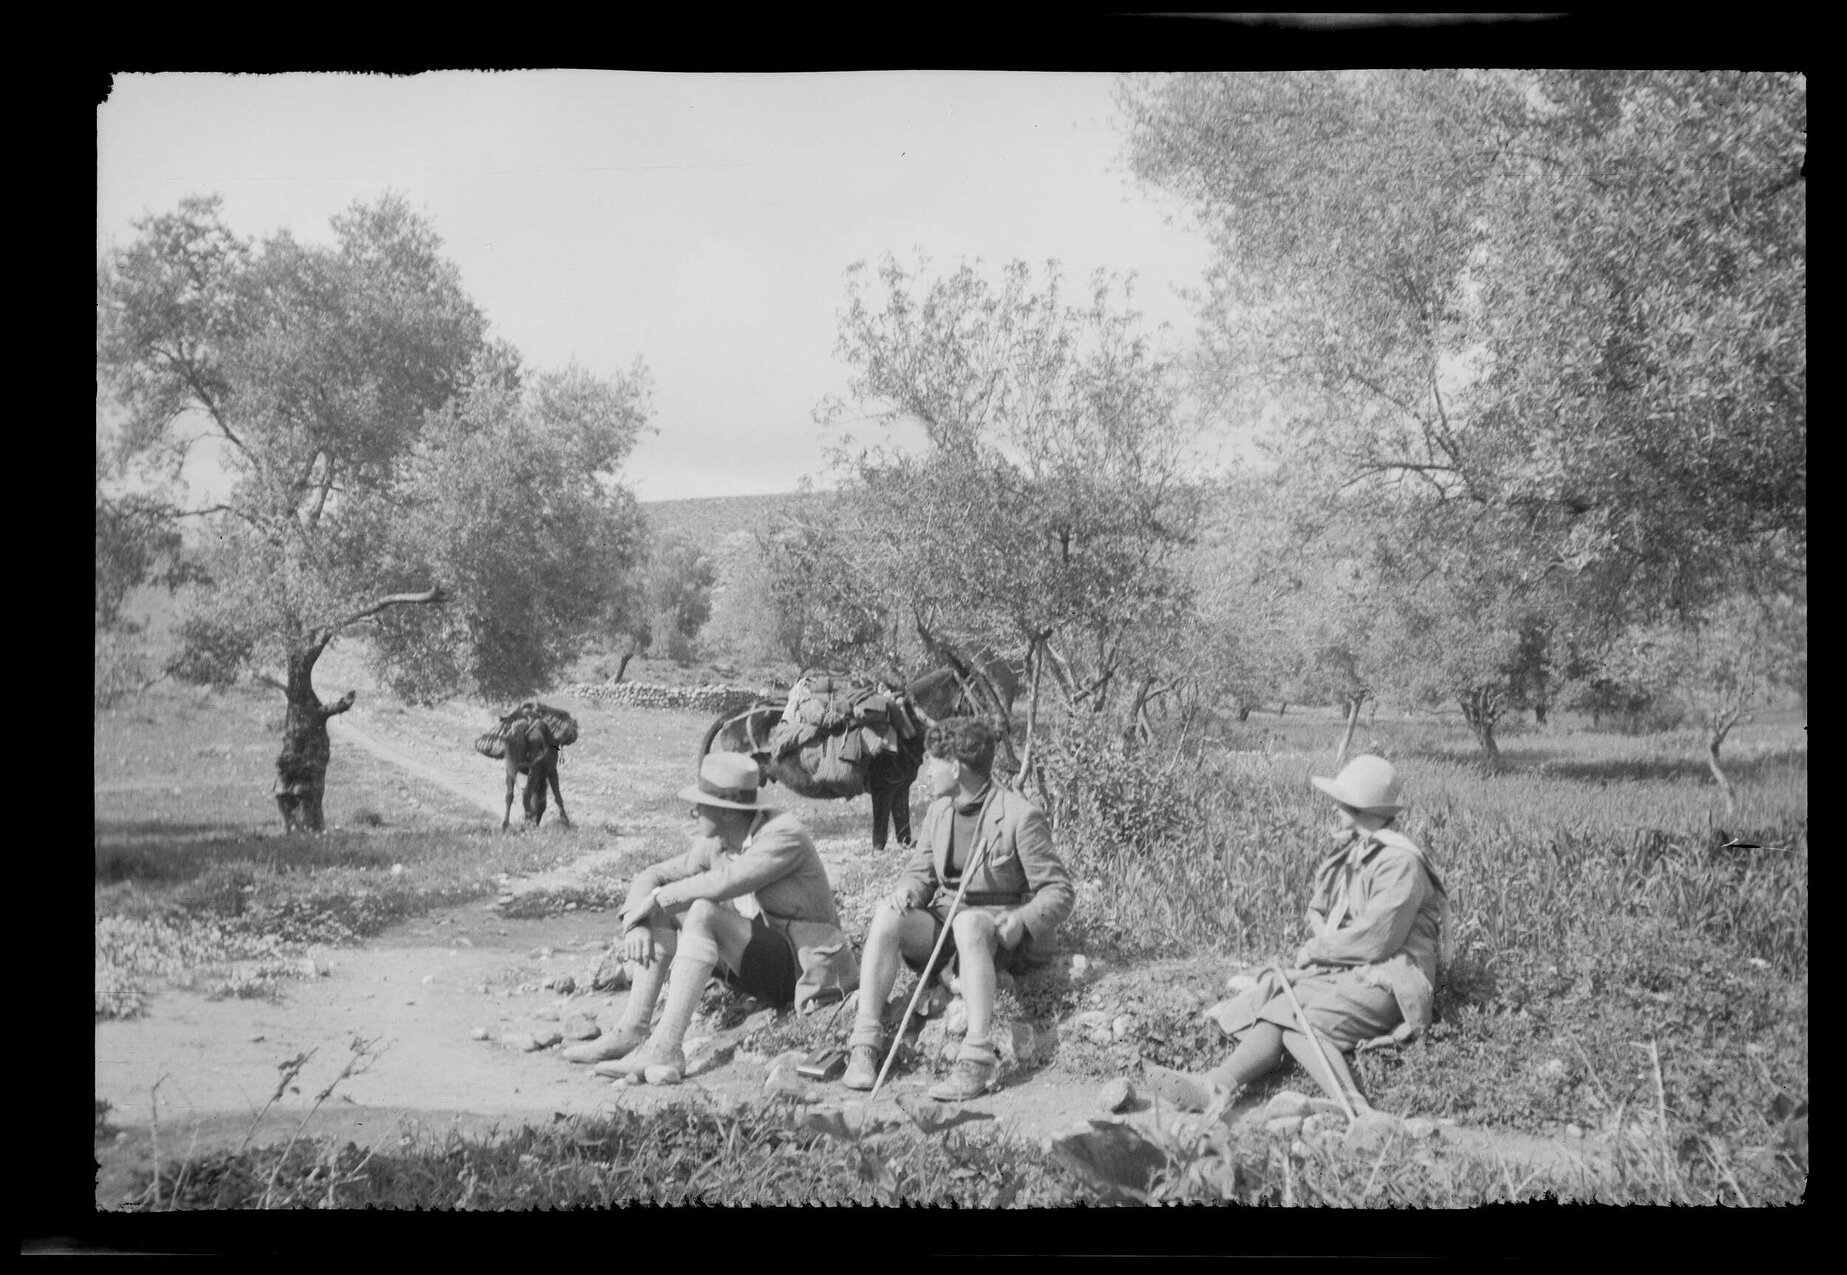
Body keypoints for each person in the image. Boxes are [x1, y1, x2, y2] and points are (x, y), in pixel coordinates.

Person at [1144, 754, 1447, 1116]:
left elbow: (1379, 940)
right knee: (1278, 1003)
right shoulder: (1360, 851)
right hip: (1352, 971)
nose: (1335, 810)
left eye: (1341, 803)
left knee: (1302, 1019)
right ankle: (1216, 1086)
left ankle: (1353, 1106)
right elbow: (1325, 911)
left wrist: (1318, 950)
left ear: (1357, 806)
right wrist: (1322, 942)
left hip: (1391, 980)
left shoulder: (1400, 863)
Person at [560, 752, 859, 1083]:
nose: (694, 813)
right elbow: (654, 874)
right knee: (669, 903)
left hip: (804, 967)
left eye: (700, 805)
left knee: (697, 908)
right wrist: (635, 923)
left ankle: (667, 1048)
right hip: (761, 960)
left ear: (727, 810)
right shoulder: (718, 841)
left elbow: (726, 882)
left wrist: (658, 900)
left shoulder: (784, 834)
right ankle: (633, 1029)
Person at [840, 717, 1075, 1101]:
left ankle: (975, 1059)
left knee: (967, 924)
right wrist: (907, 893)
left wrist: (1022, 920)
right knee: (887, 916)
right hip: (947, 922)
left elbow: (1059, 891)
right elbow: (920, 873)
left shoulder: (1019, 816)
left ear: (955, 767)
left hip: (998, 933)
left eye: (933, 762)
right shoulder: (939, 811)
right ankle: (865, 1044)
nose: (928, 771)